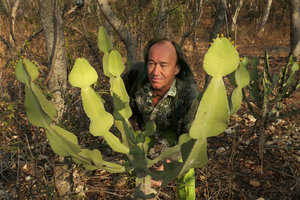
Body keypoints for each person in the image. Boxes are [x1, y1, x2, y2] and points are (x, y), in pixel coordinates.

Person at [122, 38, 200, 186]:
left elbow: (189, 136)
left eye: (163, 65)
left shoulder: (188, 93)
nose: (155, 72)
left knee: (186, 168)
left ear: (176, 68)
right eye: (151, 63)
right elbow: (122, 87)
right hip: (146, 130)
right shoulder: (137, 76)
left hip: (173, 134)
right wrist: (131, 117)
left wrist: (169, 164)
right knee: (136, 163)